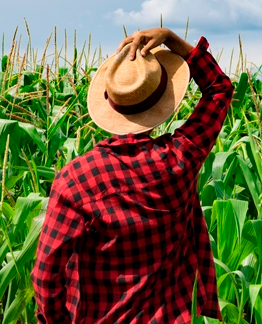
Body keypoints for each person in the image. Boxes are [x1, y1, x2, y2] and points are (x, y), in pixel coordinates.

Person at [32, 27, 234, 323]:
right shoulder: (180, 159)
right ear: (161, 101)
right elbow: (219, 89)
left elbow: (45, 276)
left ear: (108, 100)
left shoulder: (75, 179)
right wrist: (171, 39)